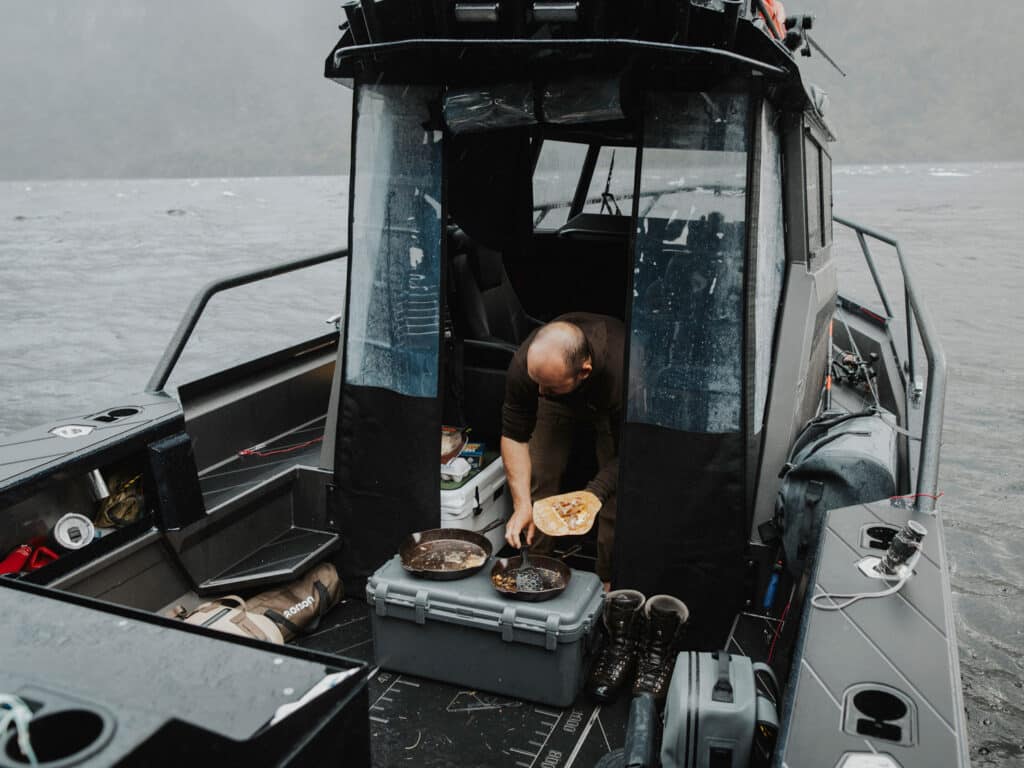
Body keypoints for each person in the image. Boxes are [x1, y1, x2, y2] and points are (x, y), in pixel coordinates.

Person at [501, 313, 624, 589]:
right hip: (561, 391)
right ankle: (535, 568)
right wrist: (522, 505)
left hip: (610, 407)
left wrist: (592, 495)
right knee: (540, 472)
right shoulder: (531, 367)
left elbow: (632, 454)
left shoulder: (623, 374)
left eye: (548, 386)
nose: (540, 392)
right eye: (537, 384)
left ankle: (607, 582)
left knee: (615, 499)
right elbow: (514, 437)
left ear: (584, 371)